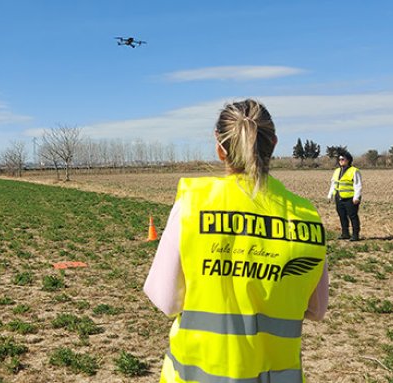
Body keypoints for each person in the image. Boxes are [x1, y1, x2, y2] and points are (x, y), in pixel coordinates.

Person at [144, 99, 329, 383]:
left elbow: (166, 301)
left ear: (219, 147)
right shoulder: (307, 217)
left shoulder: (193, 206)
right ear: (274, 144)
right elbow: (316, 310)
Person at [327, 151, 362, 241]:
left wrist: (356, 197)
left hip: (350, 198)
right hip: (339, 197)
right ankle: (345, 233)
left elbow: (358, 185)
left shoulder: (354, 171)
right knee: (342, 216)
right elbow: (334, 184)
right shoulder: (337, 171)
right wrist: (330, 194)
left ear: (348, 160)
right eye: (339, 159)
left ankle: (355, 235)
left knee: (353, 216)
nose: (340, 161)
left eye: (343, 159)